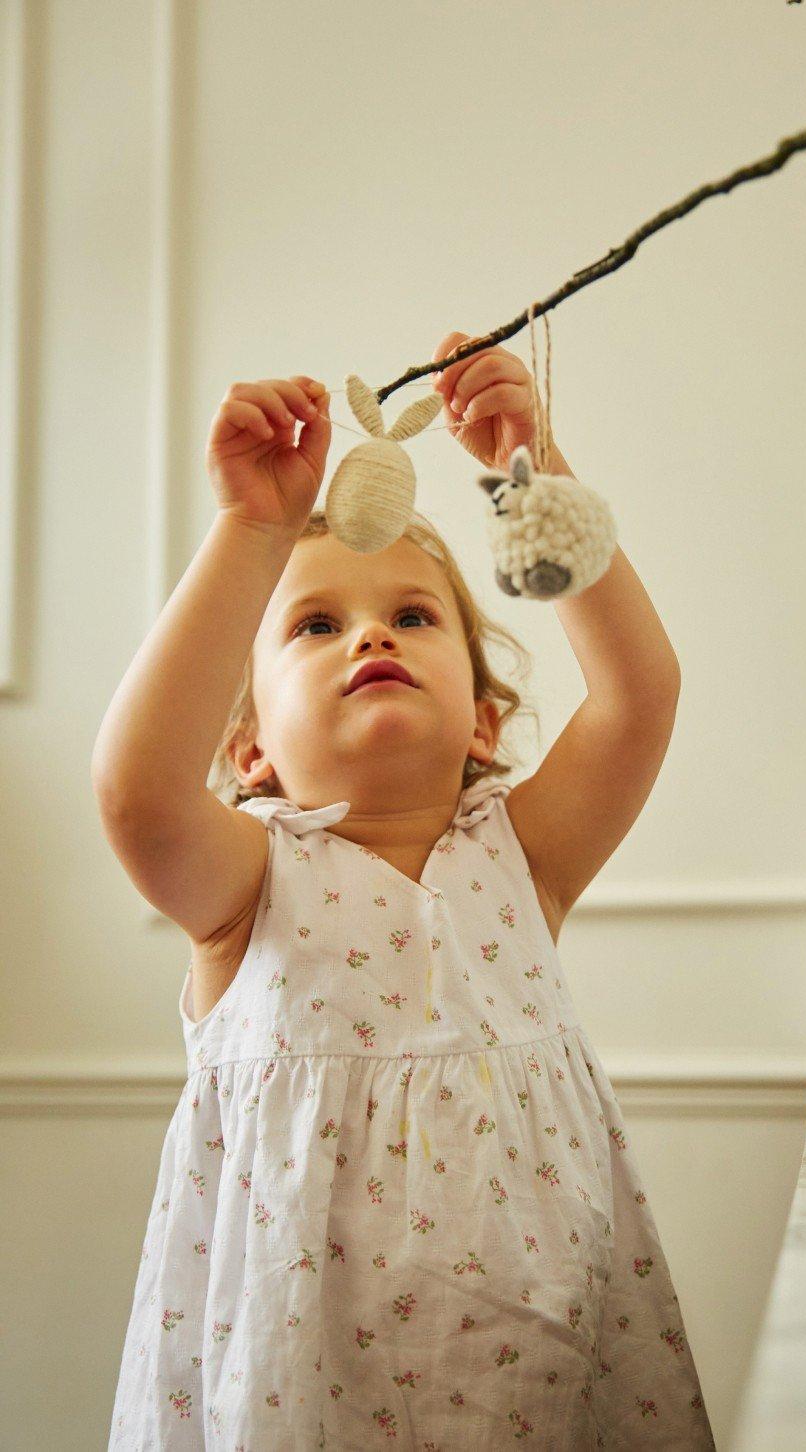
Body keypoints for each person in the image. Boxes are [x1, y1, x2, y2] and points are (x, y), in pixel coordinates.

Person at [95, 332, 716, 1448]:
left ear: (483, 722)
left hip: (535, 1372)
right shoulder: (248, 885)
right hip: (304, 1394)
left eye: (414, 618)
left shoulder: (520, 861)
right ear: (251, 757)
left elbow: (638, 691)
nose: (370, 631)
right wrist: (253, 530)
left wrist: (534, 472)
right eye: (316, 625)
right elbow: (138, 794)